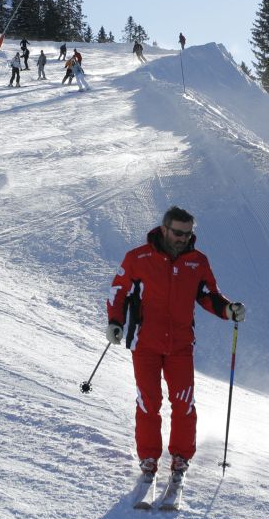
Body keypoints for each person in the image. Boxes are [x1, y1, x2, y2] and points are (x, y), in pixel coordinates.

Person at [105, 206, 245, 482]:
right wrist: (115, 322)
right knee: (149, 402)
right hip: (144, 342)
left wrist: (228, 310)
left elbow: (207, 295)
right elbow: (118, 292)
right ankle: (148, 458)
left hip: (181, 345)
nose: (183, 238)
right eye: (178, 233)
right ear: (165, 229)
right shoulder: (138, 258)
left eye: (188, 233)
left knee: (184, 402)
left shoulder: (197, 261)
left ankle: (181, 457)